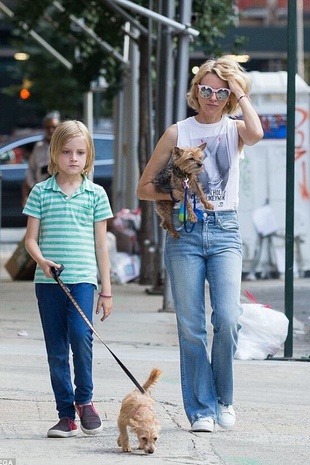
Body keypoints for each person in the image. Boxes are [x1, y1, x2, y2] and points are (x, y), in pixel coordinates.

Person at [137, 56, 264, 433]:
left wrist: (240, 95)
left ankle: (225, 399)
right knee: (191, 326)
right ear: (196, 91)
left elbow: (256, 133)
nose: (212, 96)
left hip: (225, 230)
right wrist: (176, 195)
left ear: (229, 96)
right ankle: (202, 410)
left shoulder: (235, 129)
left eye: (221, 91)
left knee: (227, 318)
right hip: (185, 232)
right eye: (206, 89)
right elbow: (142, 188)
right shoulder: (178, 133)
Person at [23, 120, 114, 438]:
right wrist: (41, 261)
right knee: (57, 349)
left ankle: (85, 401)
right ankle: (66, 414)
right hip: (49, 282)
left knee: (81, 337)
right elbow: (30, 240)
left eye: (79, 152)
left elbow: (101, 245)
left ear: (88, 156)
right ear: (54, 153)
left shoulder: (96, 194)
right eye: (66, 152)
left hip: (83, 280)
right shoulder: (41, 192)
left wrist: (107, 290)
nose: (73, 158)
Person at [22, 111, 60, 206]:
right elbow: (30, 171)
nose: (51, 130)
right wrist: (27, 195)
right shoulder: (38, 147)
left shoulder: (65, 148)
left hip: (59, 194)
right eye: (48, 127)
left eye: (54, 127)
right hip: (41, 194)